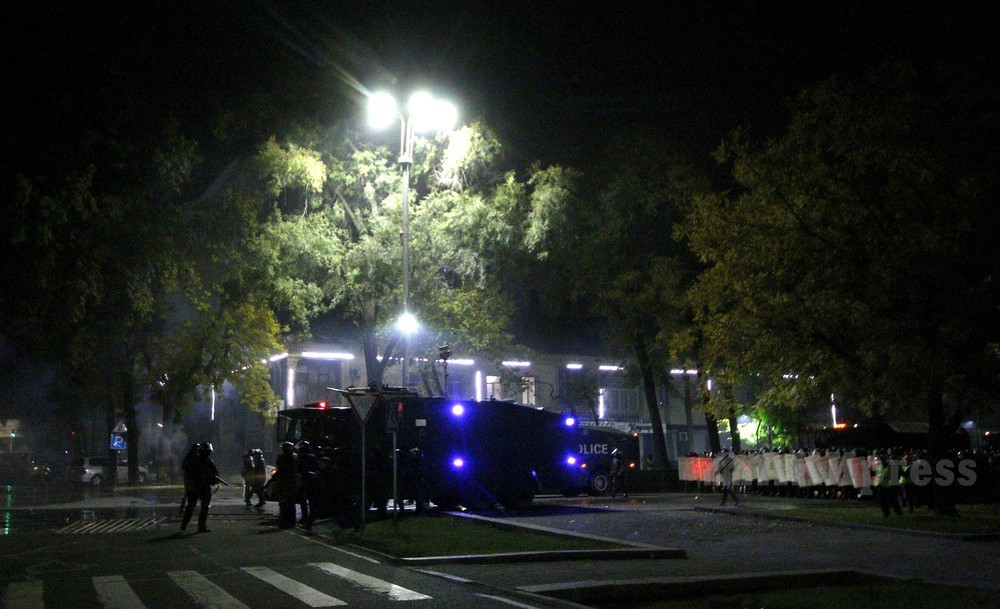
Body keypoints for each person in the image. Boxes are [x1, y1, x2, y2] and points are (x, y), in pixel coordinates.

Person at [180, 443, 220, 533]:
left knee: (204, 507)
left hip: (204, 487)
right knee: (191, 506)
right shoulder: (194, 460)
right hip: (196, 486)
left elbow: (215, 474)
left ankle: (201, 526)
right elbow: (188, 472)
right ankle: (185, 524)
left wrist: (212, 479)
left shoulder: (208, 461)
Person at [273, 441, 299, 529]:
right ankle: (290, 521)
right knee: (289, 502)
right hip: (289, 481)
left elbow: (280, 470)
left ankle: (286, 521)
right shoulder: (294, 457)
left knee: (285, 502)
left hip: (286, 482)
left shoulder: (283, 457)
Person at [297, 441, 320, 530]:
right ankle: (306, 518)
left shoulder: (309, 457)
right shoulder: (304, 457)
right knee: (305, 501)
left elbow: (313, 470)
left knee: (309, 502)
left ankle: (307, 520)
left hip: (309, 481)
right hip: (305, 480)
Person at [873, 452, 902, 517]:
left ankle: (897, 511)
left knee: (892, 500)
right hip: (881, 485)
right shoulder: (879, 467)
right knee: (883, 500)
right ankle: (887, 513)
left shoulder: (890, 466)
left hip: (889, 485)